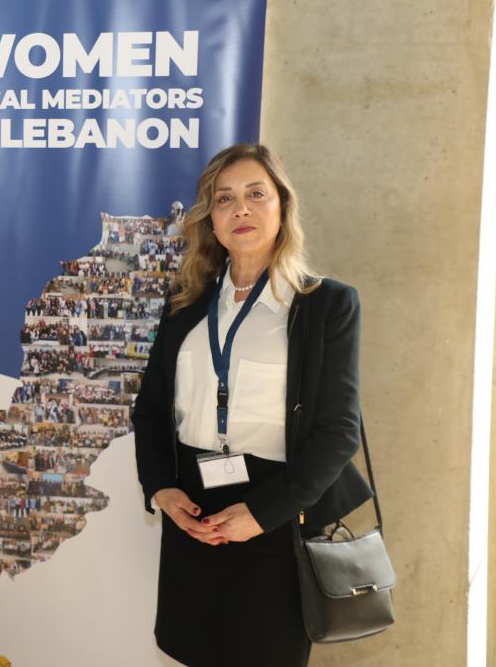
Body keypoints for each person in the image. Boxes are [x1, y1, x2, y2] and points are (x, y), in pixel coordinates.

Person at [132, 144, 373, 667]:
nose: (240, 208)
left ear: (282, 206)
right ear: (211, 219)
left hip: (278, 515)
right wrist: (162, 489)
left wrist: (262, 514)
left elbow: (338, 432)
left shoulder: (325, 305)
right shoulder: (184, 305)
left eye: (256, 194)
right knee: (188, 651)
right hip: (193, 513)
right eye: (224, 198)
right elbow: (150, 408)